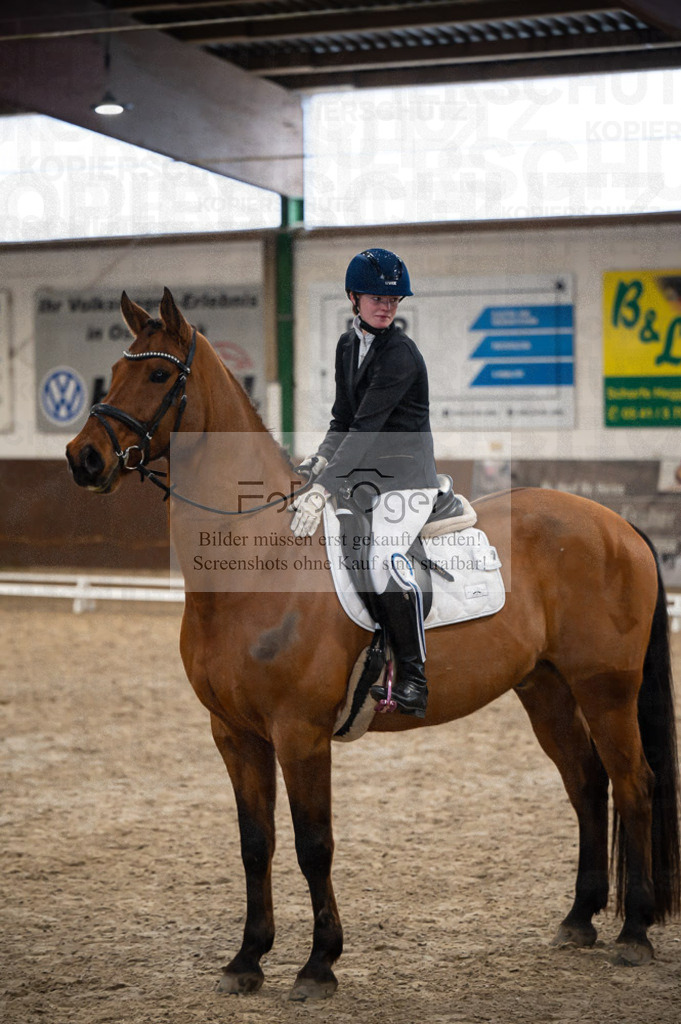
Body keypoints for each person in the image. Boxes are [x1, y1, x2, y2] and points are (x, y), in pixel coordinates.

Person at [290, 248, 439, 718]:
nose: (387, 307)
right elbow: (343, 420)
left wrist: (324, 486)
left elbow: (368, 427)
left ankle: (413, 676)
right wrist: (319, 461)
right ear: (354, 298)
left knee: (381, 559)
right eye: (378, 297)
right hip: (364, 479)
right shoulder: (346, 345)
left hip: (407, 481)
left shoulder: (401, 356)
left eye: (395, 300)